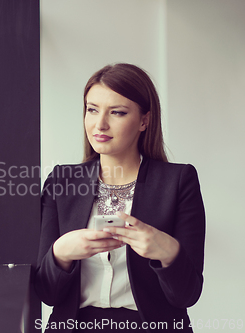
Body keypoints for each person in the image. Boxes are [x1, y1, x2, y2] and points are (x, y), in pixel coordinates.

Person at [35, 63, 205, 332]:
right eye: (92, 110)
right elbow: (47, 293)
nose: (99, 124)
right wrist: (62, 253)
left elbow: (187, 295)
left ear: (144, 120)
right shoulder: (61, 180)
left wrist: (166, 251)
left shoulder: (179, 181)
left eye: (117, 112)